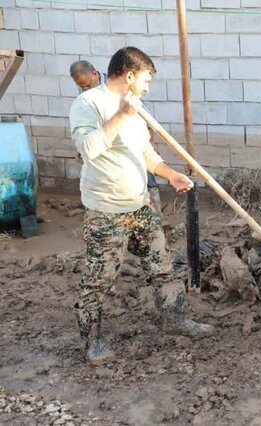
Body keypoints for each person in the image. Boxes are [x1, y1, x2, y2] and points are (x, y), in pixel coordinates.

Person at [69, 47, 211, 366]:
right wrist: (121, 116)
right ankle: (93, 343)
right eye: (145, 79)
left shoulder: (137, 106)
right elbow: (87, 149)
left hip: (140, 207)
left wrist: (171, 173)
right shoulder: (88, 104)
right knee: (100, 276)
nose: (147, 86)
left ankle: (177, 320)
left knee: (162, 266)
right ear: (130, 75)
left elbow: (144, 152)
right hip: (106, 212)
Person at [70, 60, 164, 219]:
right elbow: (87, 136)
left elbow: (144, 118)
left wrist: (150, 144)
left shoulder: (121, 87)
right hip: (108, 150)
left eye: (86, 85)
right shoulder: (86, 99)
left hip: (132, 144)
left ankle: (156, 213)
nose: (84, 89)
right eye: (81, 87)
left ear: (95, 74)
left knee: (148, 176)